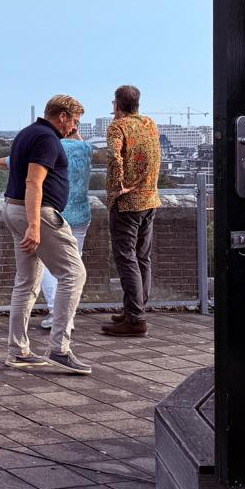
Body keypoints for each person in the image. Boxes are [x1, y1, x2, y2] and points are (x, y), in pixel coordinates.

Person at [0, 95, 92, 375]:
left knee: (27, 281)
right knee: (74, 274)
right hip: (37, 213)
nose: (74, 128)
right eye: (74, 121)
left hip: (13, 208)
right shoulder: (47, 139)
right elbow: (33, 182)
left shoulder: (27, 133)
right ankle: (59, 348)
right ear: (62, 116)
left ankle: (18, 350)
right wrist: (34, 225)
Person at [0, 126, 93, 330]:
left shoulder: (53, 145)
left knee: (48, 268)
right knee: (73, 265)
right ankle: (67, 317)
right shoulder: (86, 149)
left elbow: (15, 162)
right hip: (81, 213)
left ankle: (55, 314)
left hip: (55, 214)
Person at [102, 84, 162, 337]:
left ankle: (136, 319)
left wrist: (117, 189)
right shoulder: (150, 123)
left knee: (126, 258)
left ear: (116, 104)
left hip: (127, 204)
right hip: (150, 199)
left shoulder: (117, 127)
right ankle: (135, 309)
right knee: (142, 258)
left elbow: (114, 158)